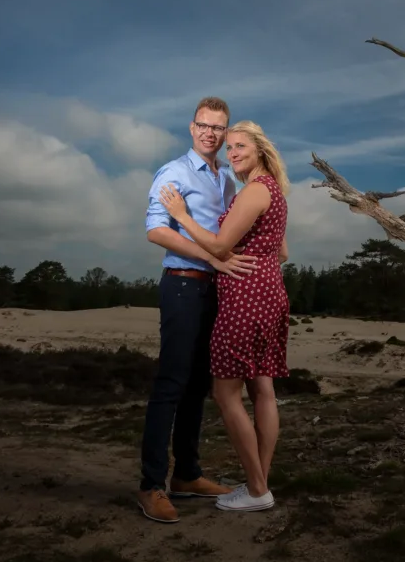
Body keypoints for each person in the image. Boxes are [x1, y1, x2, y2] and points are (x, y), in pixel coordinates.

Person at [137, 96, 259, 524]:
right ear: (192, 129)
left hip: (218, 292)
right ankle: (152, 484)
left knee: (197, 387)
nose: (211, 133)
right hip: (183, 288)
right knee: (171, 384)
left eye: (218, 128)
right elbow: (156, 231)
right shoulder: (173, 173)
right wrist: (213, 259)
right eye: (204, 125)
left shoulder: (228, 179)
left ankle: (186, 475)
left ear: (226, 134)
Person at [158, 120, 290, 513]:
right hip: (270, 292)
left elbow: (218, 244)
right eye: (229, 148)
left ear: (261, 150)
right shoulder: (275, 192)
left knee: (225, 392)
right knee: (262, 390)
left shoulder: (254, 190)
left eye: (240, 147)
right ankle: (257, 487)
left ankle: (256, 488)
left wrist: (180, 215)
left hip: (245, 297)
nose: (232, 154)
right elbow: (282, 252)